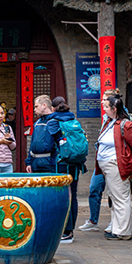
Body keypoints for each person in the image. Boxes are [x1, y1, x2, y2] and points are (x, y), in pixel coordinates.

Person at [96, 95, 132, 241]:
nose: (104, 109)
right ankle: (117, 228)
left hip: (116, 165)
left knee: (120, 198)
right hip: (108, 166)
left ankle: (122, 231)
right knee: (115, 197)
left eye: (106, 107)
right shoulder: (110, 123)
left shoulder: (126, 125)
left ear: (114, 108)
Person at [78, 88, 122, 233]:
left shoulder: (123, 117)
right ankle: (93, 220)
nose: (102, 101)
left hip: (114, 162)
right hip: (101, 161)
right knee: (94, 188)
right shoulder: (105, 117)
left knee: (114, 193)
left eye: (105, 99)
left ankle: (114, 222)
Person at [49, 96, 86, 244]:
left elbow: (48, 144)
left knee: (63, 195)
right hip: (75, 164)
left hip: (61, 163)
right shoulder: (74, 121)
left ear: (53, 108)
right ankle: (70, 230)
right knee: (74, 195)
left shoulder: (53, 122)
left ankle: (64, 231)